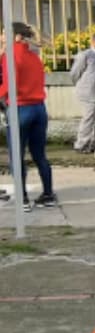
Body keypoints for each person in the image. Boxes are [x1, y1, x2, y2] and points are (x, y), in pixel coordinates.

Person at [0, 23, 55, 212]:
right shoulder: (34, 57)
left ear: (15, 36)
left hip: (20, 108)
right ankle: (48, 194)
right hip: (39, 108)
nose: (1, 37)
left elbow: (9, 84)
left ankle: (22, 198)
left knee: (17, 155)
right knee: (40, 154)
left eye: (4, 33)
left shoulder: (10, 56)